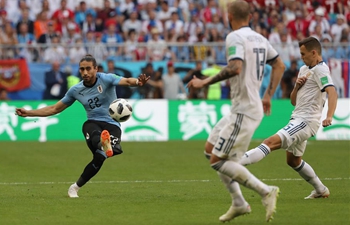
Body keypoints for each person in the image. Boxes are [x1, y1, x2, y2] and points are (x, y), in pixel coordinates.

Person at [187, 1, 286, 222]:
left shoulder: (235, 37)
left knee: (218, 161)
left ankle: (265, 191)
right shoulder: (260, 38)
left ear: (229, 16)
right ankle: (239, 203)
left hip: (244, 110)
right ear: (250, 16)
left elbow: (235, 67)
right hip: (241, 108)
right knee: (210, 150)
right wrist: (268, 94)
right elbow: (280, 65)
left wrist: (205, 82)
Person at [15, 54, 150, 198]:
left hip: (112, 125)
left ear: (96, 69)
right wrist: (29, 113)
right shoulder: (75, 90)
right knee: (96, 137)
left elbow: (127, 81)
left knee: (100, 158)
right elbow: (54, 109)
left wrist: (138, 81)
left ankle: (75, 187)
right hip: (92, 123)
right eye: (82, 69)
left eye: (88, 69)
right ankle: (103, 144)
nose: (85, 73)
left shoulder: (107, 79)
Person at [240, 37, 338, 199]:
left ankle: (235, 163)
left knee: (269, 143)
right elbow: (294, 101)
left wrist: (329, 116)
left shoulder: (321, 69)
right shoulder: (304, 69)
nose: (301, 57)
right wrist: (297, 86)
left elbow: (332, 92)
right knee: (293, 160)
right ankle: (321, 190)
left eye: (303, 54)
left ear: (314, 53)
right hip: (298, 119)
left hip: (306, 121)